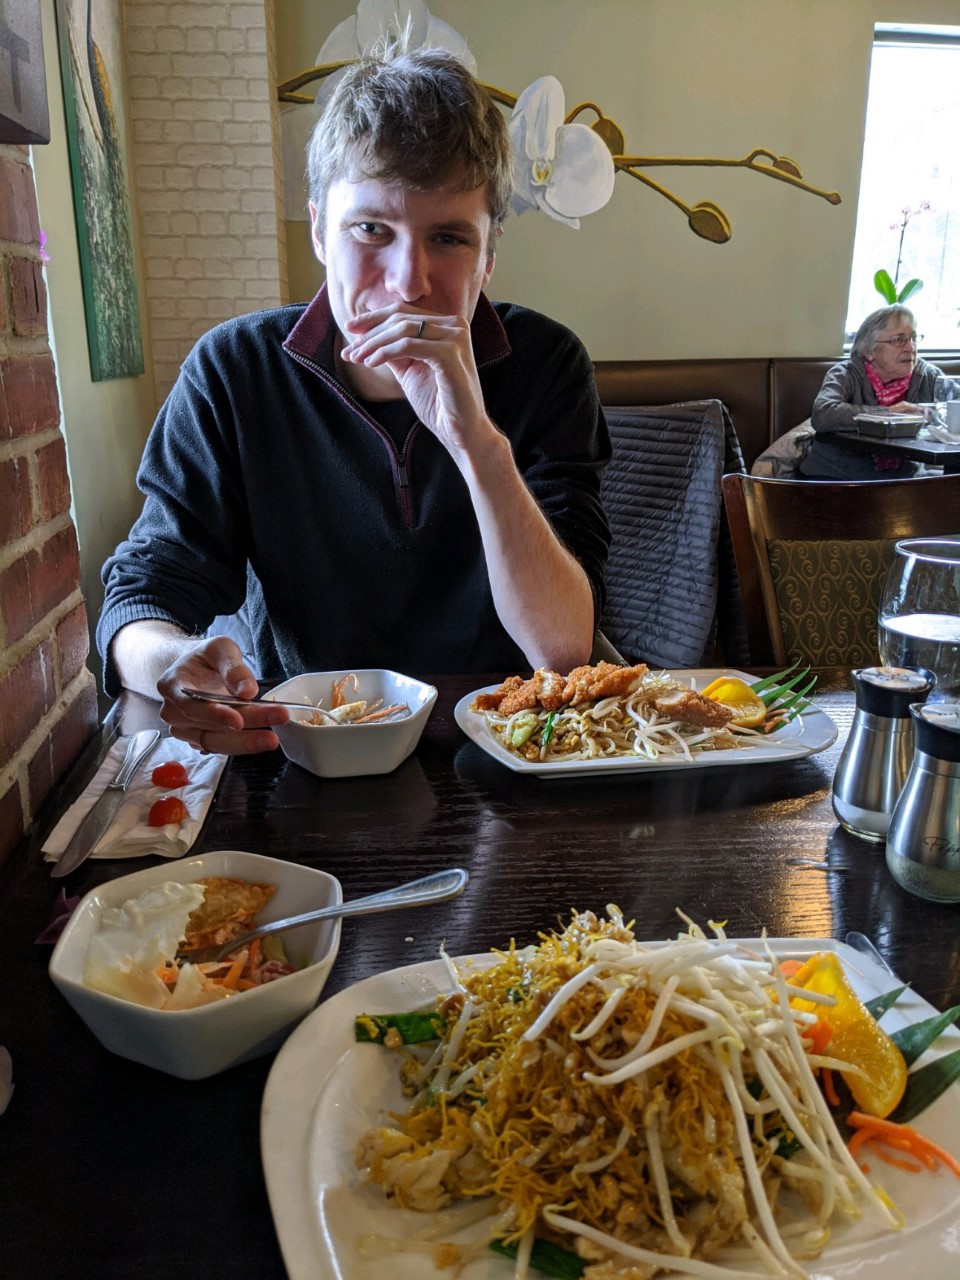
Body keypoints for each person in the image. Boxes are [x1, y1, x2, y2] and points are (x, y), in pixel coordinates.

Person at [97, 45, 611, 757]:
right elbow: (145, 594)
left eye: (449, 237)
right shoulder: (233, 370)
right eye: (371, 230)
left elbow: (563, 648)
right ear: (318, 231)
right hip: (295, 750)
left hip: (508, 752)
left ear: (489, 254)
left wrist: (475, 441)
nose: (408, 281)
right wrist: (170, 664)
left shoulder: (547, 364)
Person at [799, 304, 960, 479]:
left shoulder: (927, 375)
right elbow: (823, 414)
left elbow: (955, 402)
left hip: (905, 480)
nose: (911, 348)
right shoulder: (847, 373)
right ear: (869, 351)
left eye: (913, 338)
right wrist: (889, 413)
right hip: (837, 479)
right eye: (899, 340)